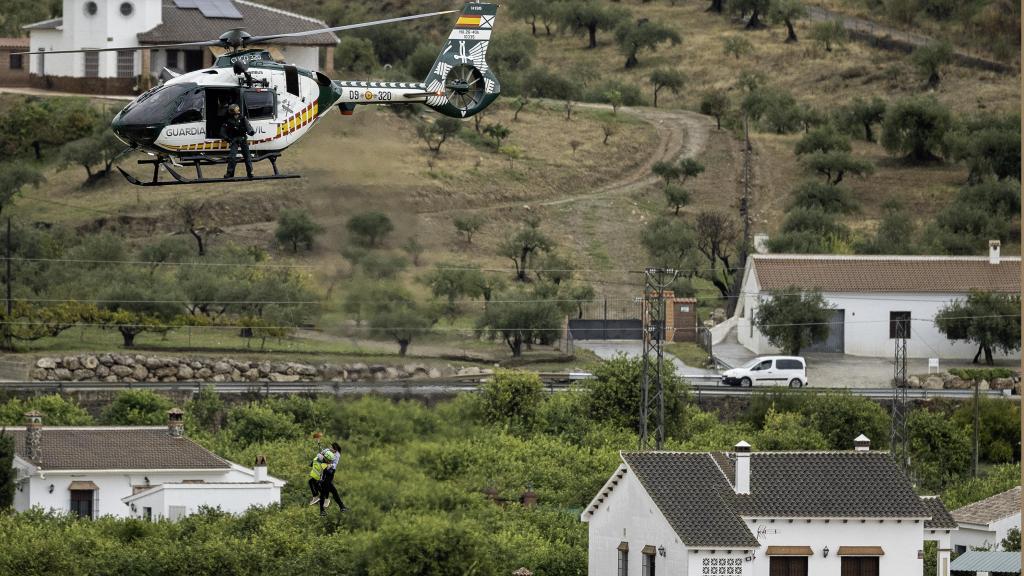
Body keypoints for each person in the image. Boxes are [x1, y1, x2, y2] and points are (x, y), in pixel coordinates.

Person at [220, 103, 255, 179]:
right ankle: (230, 173)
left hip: (242, 139)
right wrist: (227, 138)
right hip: (234, 139)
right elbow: (223, 131)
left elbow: (248, 126)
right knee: (232, 157)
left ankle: (250, 172)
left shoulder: (242, 118)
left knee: (247, 156)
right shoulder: (228, 120)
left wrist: (250, 132)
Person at [318, 442, 348, 515]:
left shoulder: (337, 455)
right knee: (329, 491)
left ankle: (341, 507)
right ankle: (341, 507)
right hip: (325, 473)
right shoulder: (328, 450)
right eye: (330, 447)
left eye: (331, 448)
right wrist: (321, 454)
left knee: (332, 491)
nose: (330, 448)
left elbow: (334, 465)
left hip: (330, 473)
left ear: (335, 450)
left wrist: (330, 465)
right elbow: (320, 454)